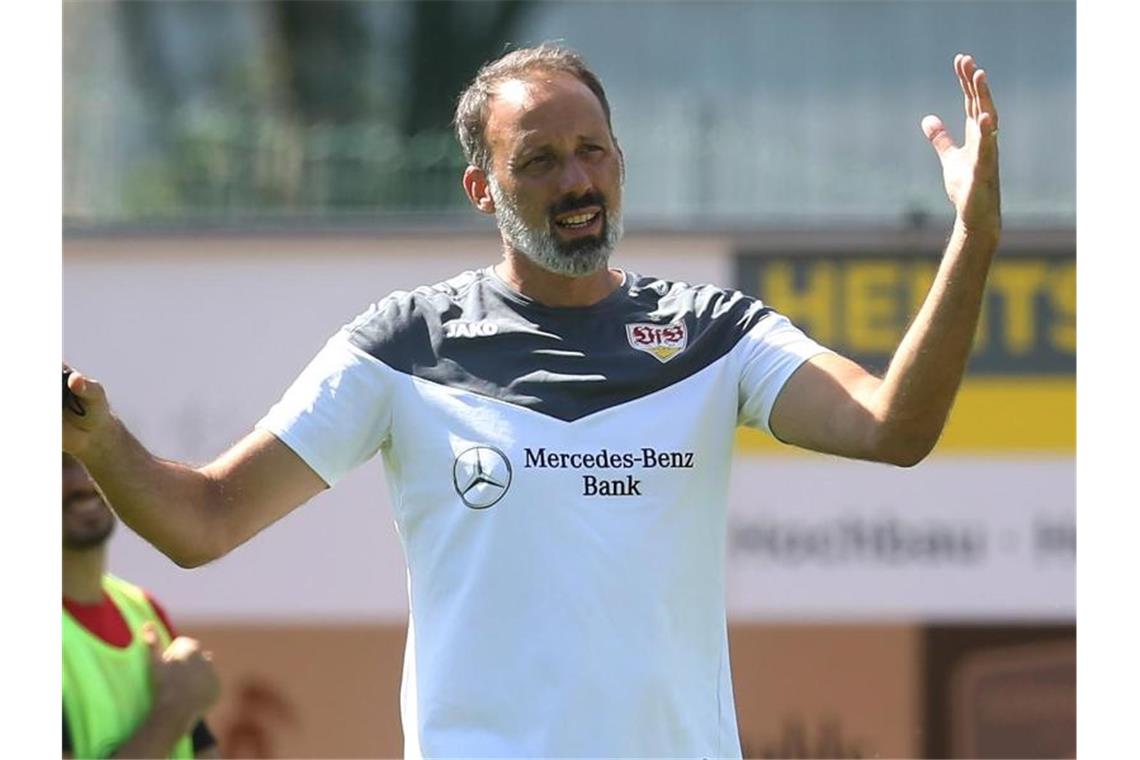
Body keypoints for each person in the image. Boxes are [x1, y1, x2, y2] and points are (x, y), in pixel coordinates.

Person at [63, 43, 1001, 758]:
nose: (578, 181)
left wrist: (972, 239)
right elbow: (206, 520)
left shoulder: (713, 332)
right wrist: (97, 438)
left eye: (592, 151)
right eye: (540, 160)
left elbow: (895, 426)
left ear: (621, 162)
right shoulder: (402, 345)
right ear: (483, 187)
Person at [63, 453, 221, 759]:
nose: (84, 480)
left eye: (86, 456)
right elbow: (180, 707)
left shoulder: (142, 609)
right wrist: (174, 710)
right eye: (59, 464)